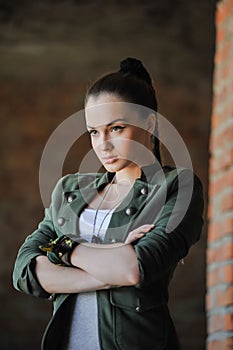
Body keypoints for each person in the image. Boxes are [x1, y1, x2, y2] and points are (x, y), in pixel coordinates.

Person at [13, 57, 204, 350]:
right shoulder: (70, 190)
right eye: (93, 131)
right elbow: (25, 271)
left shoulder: (177, 186)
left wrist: (62, 248)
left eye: (116, 128)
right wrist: (110, 263)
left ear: (149, 123)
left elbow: (135, 269)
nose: (102, 144)